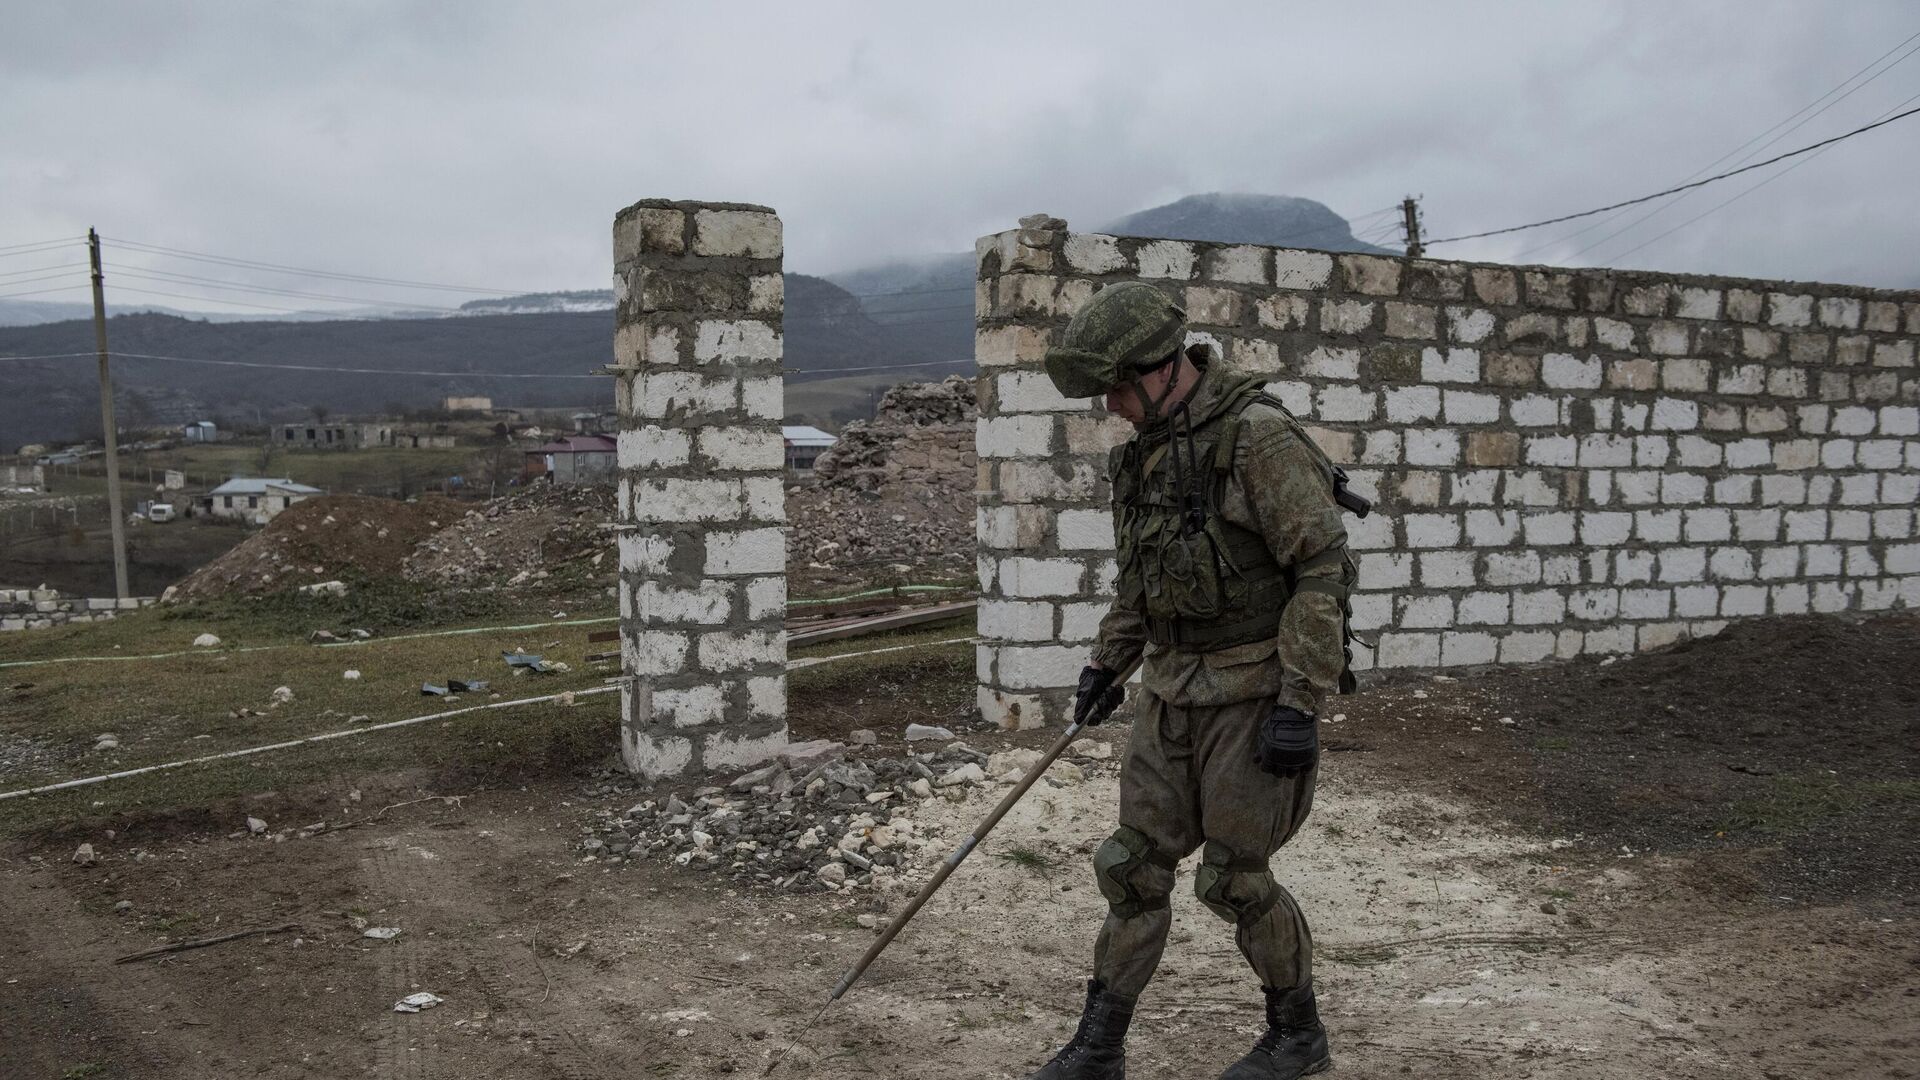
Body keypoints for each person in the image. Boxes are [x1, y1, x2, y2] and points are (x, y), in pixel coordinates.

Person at [1029, 281, 1361, 1080]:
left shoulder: (1257, 438)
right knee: (1132, 866)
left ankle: (1296, 1035)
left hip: (1252, 696)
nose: (1111, 405)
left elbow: (1322, 567)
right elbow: (1140, 582)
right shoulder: (1142, 455)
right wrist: (1106, 663)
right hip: (1170, 690)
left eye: (1115, 386)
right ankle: (1099, 1046)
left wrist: (1299, 701)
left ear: (1157, 367)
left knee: (1235, 878)